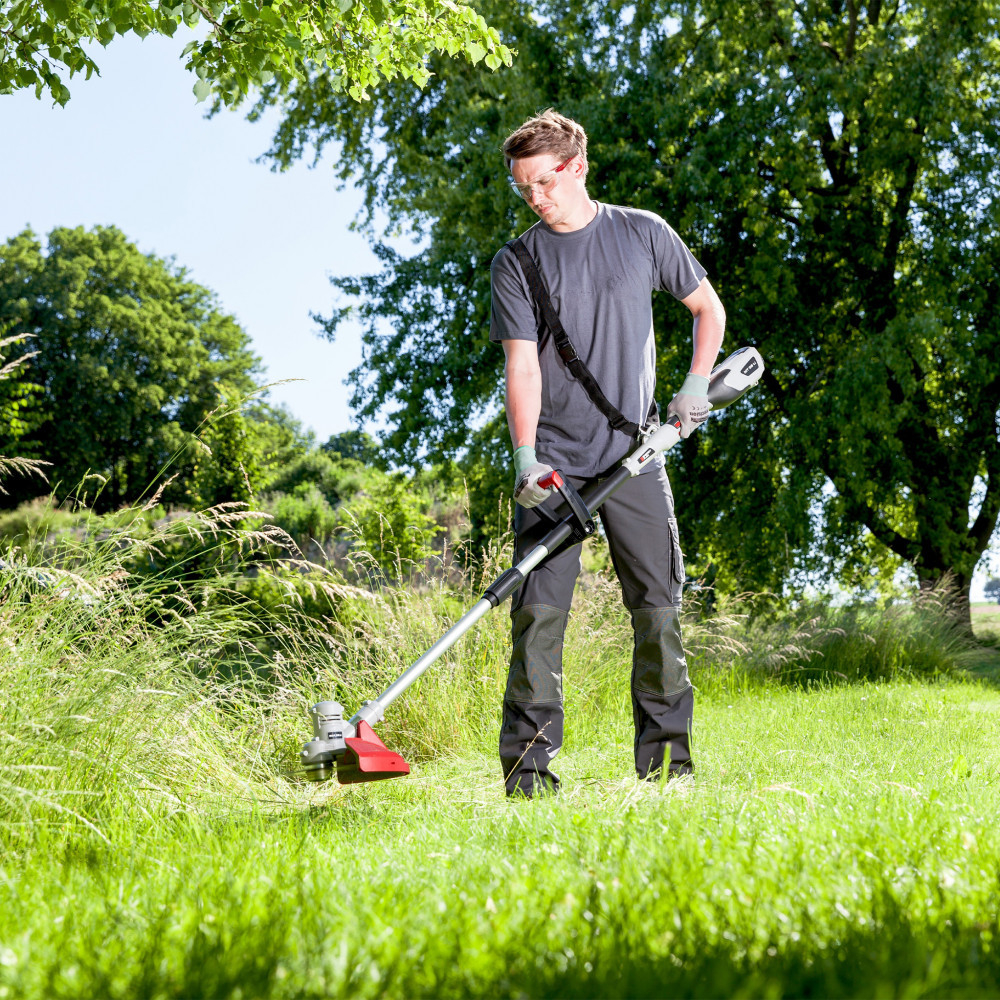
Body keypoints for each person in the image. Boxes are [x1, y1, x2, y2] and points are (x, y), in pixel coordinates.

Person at [489, 109, 726, 798]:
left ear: (578, 166)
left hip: (637, 455)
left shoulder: (642, 232)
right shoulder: (517, 262)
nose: (535, 197)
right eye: (523, 188)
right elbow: (522, 366)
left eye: (544, 182)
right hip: (554, 468)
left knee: (658, 609)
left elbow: (707, 309)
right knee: (538, 618)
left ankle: (668, 770)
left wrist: (694, 384)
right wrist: (525, 456)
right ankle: (529, 778)